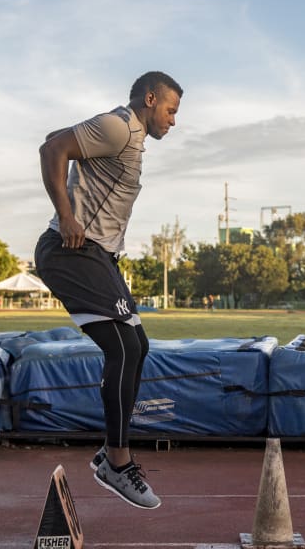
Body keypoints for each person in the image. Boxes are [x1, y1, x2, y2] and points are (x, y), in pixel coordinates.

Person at [34, 71, 182, 510]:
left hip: (100, 256)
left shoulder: (126, 137)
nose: (173, 121)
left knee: (137, 343)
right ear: (150, 99)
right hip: (72, 250)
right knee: (123, 347)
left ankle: (110, 452)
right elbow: (51, 148)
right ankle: (117, 462)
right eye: (171, 111)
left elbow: (58, 137)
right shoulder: (120, 126)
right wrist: (66, 214)